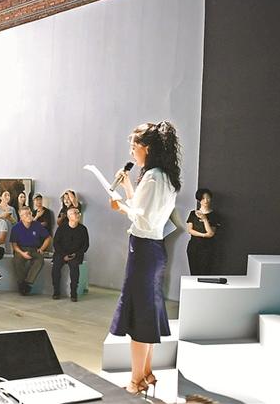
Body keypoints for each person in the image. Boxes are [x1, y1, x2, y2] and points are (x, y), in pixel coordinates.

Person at [108, 121, 182, 395]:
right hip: (154, 249)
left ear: (146, 148)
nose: (132, 152)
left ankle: (135, 381)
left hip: (142, 250)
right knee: (147, 312)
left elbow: (141, 217)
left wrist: (118, 207)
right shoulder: (163, 176)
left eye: (134, 146)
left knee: (140, 315)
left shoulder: (152, 177)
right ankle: (147, 373)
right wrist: (127, 186)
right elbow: (142, 208)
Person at [10, 206, 51, 295]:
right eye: (25, 214)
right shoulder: (16, 228)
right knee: (17, 260)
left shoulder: (37, 225)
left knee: (40, 260)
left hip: (34, 249)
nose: (29, 215)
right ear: (21, 217)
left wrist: (42, 249)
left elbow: (48, 238)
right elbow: (14, 245)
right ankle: (21, 283)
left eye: (29, 213)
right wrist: (22, 253)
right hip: (21, 249)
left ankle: (27, 283)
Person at [51, 208, 89, 301]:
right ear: (69, 216)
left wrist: (76, 254)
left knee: (75, 268)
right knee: (56, 267)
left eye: (78, 213)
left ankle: (73, 293)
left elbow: (85, 245)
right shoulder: (62, 228)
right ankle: (56, 291)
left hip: (76, 254)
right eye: (75, 213)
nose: (77, 215)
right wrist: (63, 255)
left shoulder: (83, 229)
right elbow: (56, 243)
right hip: (61, 253)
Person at [186, 188, 220, 275]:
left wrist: (205, 219)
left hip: (208, 247)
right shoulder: (193, 213)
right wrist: (203, 235)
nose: (206, 200)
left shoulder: (214, 215)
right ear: (199, 200)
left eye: (208, 198)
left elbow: (211, 233)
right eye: (203, 198)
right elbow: (190, 230)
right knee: (193, 273)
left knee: (205, 273)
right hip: (193, 246)